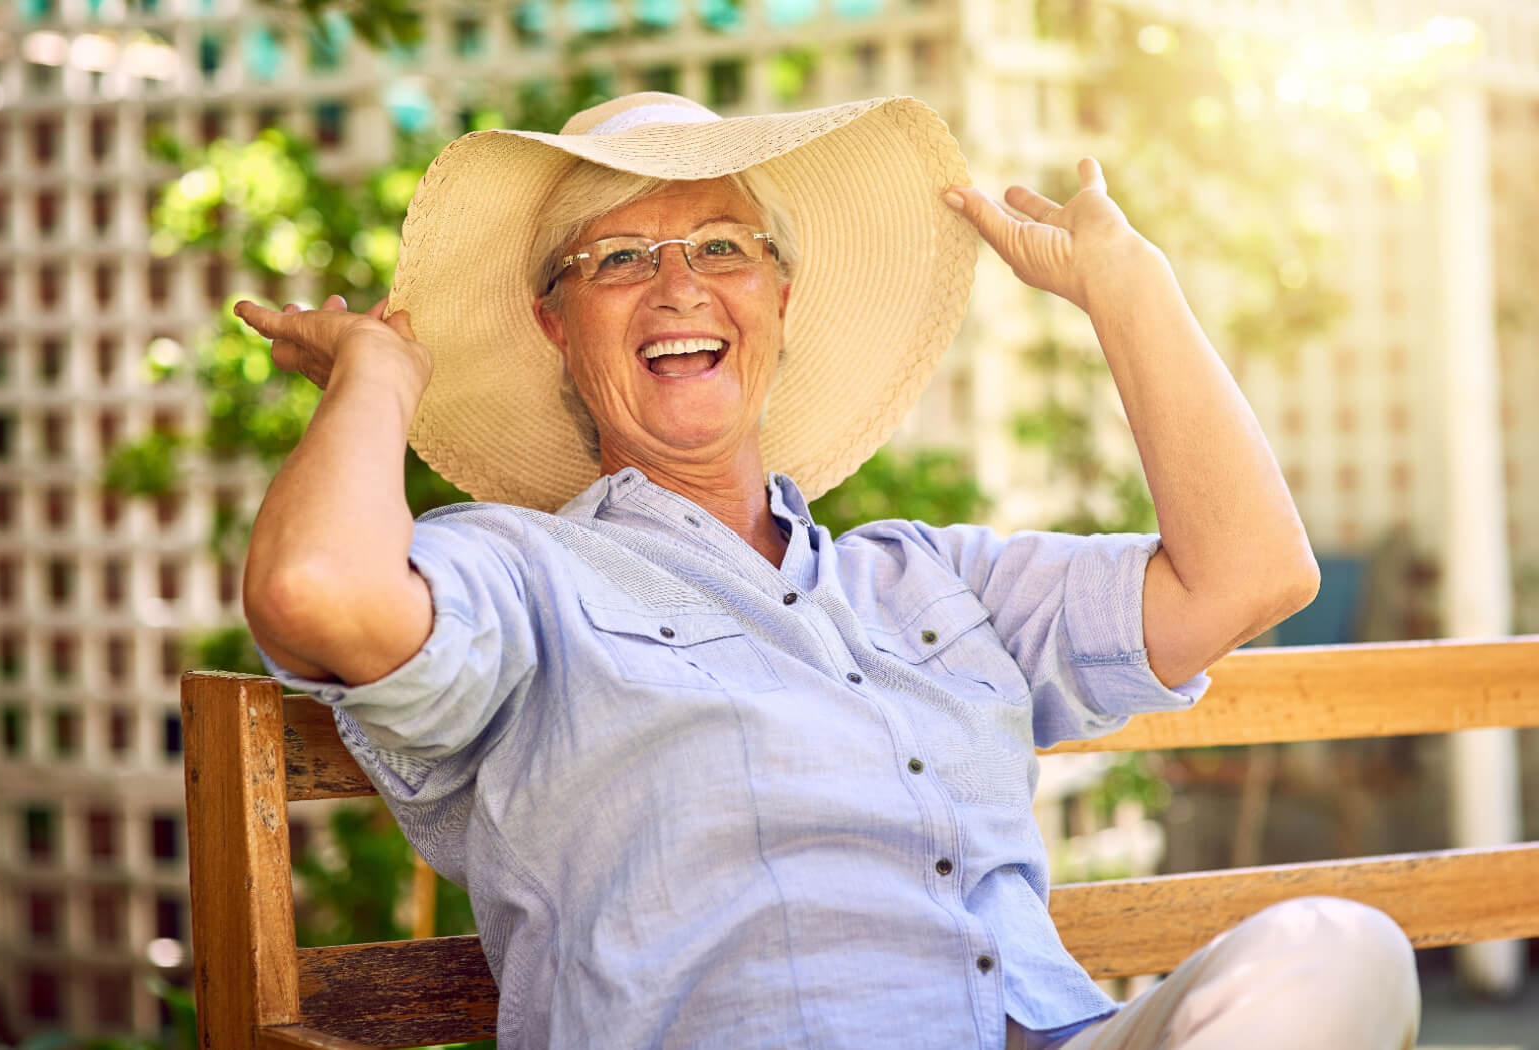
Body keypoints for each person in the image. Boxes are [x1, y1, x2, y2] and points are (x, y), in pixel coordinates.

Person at [235, 93, 1420, 1050]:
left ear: (780, 298)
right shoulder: (518, 575)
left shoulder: (925, 581)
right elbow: (314, 594)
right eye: (619, 259)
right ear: (556, 324)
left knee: (1332, 952)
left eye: (720, 246)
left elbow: (1250, 576)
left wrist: (1127, 288)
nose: (679, 284)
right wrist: (382, 379)